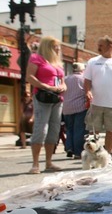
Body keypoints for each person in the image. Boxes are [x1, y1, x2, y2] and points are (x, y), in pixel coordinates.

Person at [26, 36, 66, 174]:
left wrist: (62, 86)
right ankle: (35, 164)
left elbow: (63, 80)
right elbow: (30, 77)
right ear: (48, 46)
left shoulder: (57, 63)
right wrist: (45, 86)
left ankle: (49, 162)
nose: (58, 48)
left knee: (54, 130)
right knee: (41, 129)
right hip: (43, 97)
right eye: (55, 46)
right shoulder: (36, 58)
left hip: (57, 99)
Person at [62, 62, 88, 159]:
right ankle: (78, 152)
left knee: (69, 129)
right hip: (79, 107)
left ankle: (69, 148)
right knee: (79, 130)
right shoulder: (83, 79)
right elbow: (87, 92)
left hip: (66, 107)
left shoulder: (65, 79)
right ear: (82, 70)